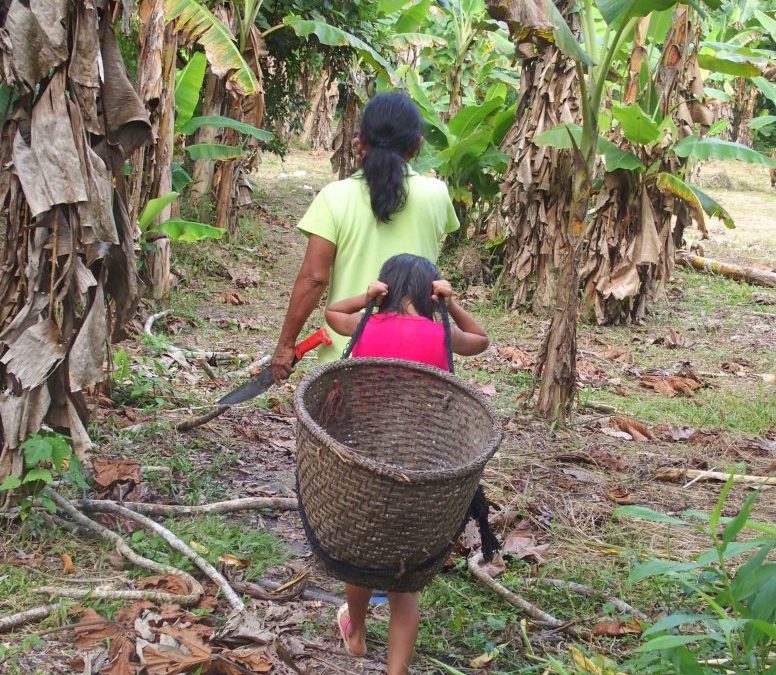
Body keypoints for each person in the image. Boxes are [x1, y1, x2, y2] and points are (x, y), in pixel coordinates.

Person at [323, 253, 489, 675]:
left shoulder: (365, 325)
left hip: (365, 462)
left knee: (361, 554)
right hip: (423, 468)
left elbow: (332, 313)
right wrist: (449, 304)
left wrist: (365, 298)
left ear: (387, 288)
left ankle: (356, 633)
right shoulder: (441, 334)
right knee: (406, 577)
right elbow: (481, 339)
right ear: (428, 292)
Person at [271, 92, 460, 382]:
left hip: (348, 354)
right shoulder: (437, 195)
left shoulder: (335, 197)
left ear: (361, 140)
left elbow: (314, 278)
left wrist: (285, 346)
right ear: (417, 144)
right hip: (418, 358)